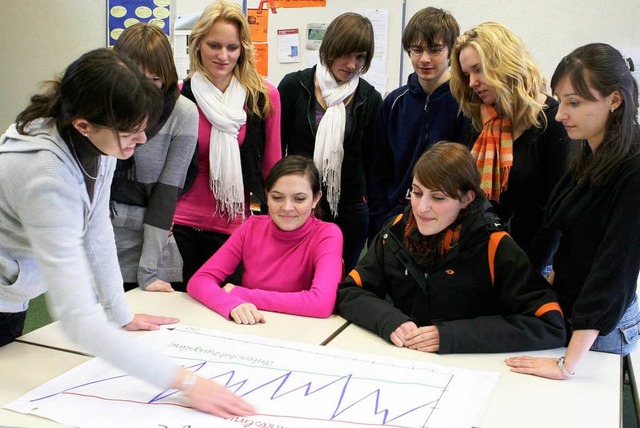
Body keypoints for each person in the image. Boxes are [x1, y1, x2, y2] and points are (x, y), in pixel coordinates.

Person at [0, 48, 253, 416]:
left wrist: (120, 312)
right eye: (130, 132)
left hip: (14, 281)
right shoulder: (46, 176)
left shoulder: (92, 143)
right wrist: (184, 381)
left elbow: (97, 227)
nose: (142, 140)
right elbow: (77, 318)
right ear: (84, 124)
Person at [336, 142, 566, 354]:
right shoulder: (395, 231)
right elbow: (349, 291)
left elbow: (550, 324)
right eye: (417, 193)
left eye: (438, 198)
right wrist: (388, 320)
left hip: (471, 372)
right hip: (404, 360)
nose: (421, 208)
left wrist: (451, 336)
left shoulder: (494, 244)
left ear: (466, 199)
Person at [506, 43, 640, 379]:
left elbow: (613, 270)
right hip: (569, 312)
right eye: (561, 100)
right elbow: (557, 227)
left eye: (575, 103)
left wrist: (568, 365)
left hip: (598, 329)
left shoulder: (633, 168)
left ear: (614, 100)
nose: (560, 114)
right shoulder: (587, 151)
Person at [173, 1, 282, 285]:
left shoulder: (263, 97)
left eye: (232, 47)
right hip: (181, 225)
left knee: (229, 313)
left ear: (242, 49)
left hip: (235, 227)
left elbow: (272, 167)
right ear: (197, 45)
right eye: (214, 45)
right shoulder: (181, 96)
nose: (223, 56)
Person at [449, 22, 570, 254]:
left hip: (534, 262)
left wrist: (528, 274)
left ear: (505, 63)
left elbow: (557, 217)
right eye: (467, 74)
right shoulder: (483, 121)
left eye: (479, 69)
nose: (472, 82)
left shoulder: (555, 123)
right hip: (486, 256)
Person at [277, 12, 382, 273]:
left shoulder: (369, 97)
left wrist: (369, 204)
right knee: (295, 277)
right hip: (300, 203)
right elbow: (277, 147)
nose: (351, 64)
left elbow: (373, 160)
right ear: (330, 49)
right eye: (345, 54)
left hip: (349, 208)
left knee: (341, 282)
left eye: (360, 57)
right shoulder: (294, 86)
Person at [188, 155, 343, 324]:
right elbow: (199, 281)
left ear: (315, 199)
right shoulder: (251, 227)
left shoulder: (328, 235)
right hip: (250, 326)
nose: (287, 207)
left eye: (299, 199)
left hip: (302, 332)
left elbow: (321, 304)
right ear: (267, 196)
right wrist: (230, 304)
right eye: (277, 197)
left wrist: (242, 294)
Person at [111, 23, 198, 292]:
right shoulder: (104, 105)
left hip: (151, 244)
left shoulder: (183, 114)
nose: (143, 91)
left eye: (154, 80)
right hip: (99, 241)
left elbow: (166, 194)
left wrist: (148, 273)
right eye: (134, 78)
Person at [367, 7, 467, 240]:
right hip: (396, 220)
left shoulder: (465, 104)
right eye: (416, 49)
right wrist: (382, 218)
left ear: (451, 50)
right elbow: (377, 169)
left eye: (434, 50)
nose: (424, 59)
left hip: (450, 223)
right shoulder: (394, 103)